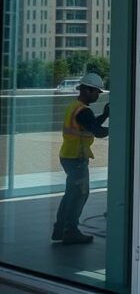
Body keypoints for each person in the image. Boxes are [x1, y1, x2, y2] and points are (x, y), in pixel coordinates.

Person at [53, 73, 108, 245]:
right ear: (87, 90)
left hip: (68, 155)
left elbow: (90, 125)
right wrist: (119, 126)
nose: (98, 95)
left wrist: (105, 115)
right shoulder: (84, 111)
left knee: (71, 194)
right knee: (79, 195)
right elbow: (97, 131)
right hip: (77, 158)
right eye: (96, 92)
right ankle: (71, 231)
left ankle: (60, 229)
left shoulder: (74, 107)